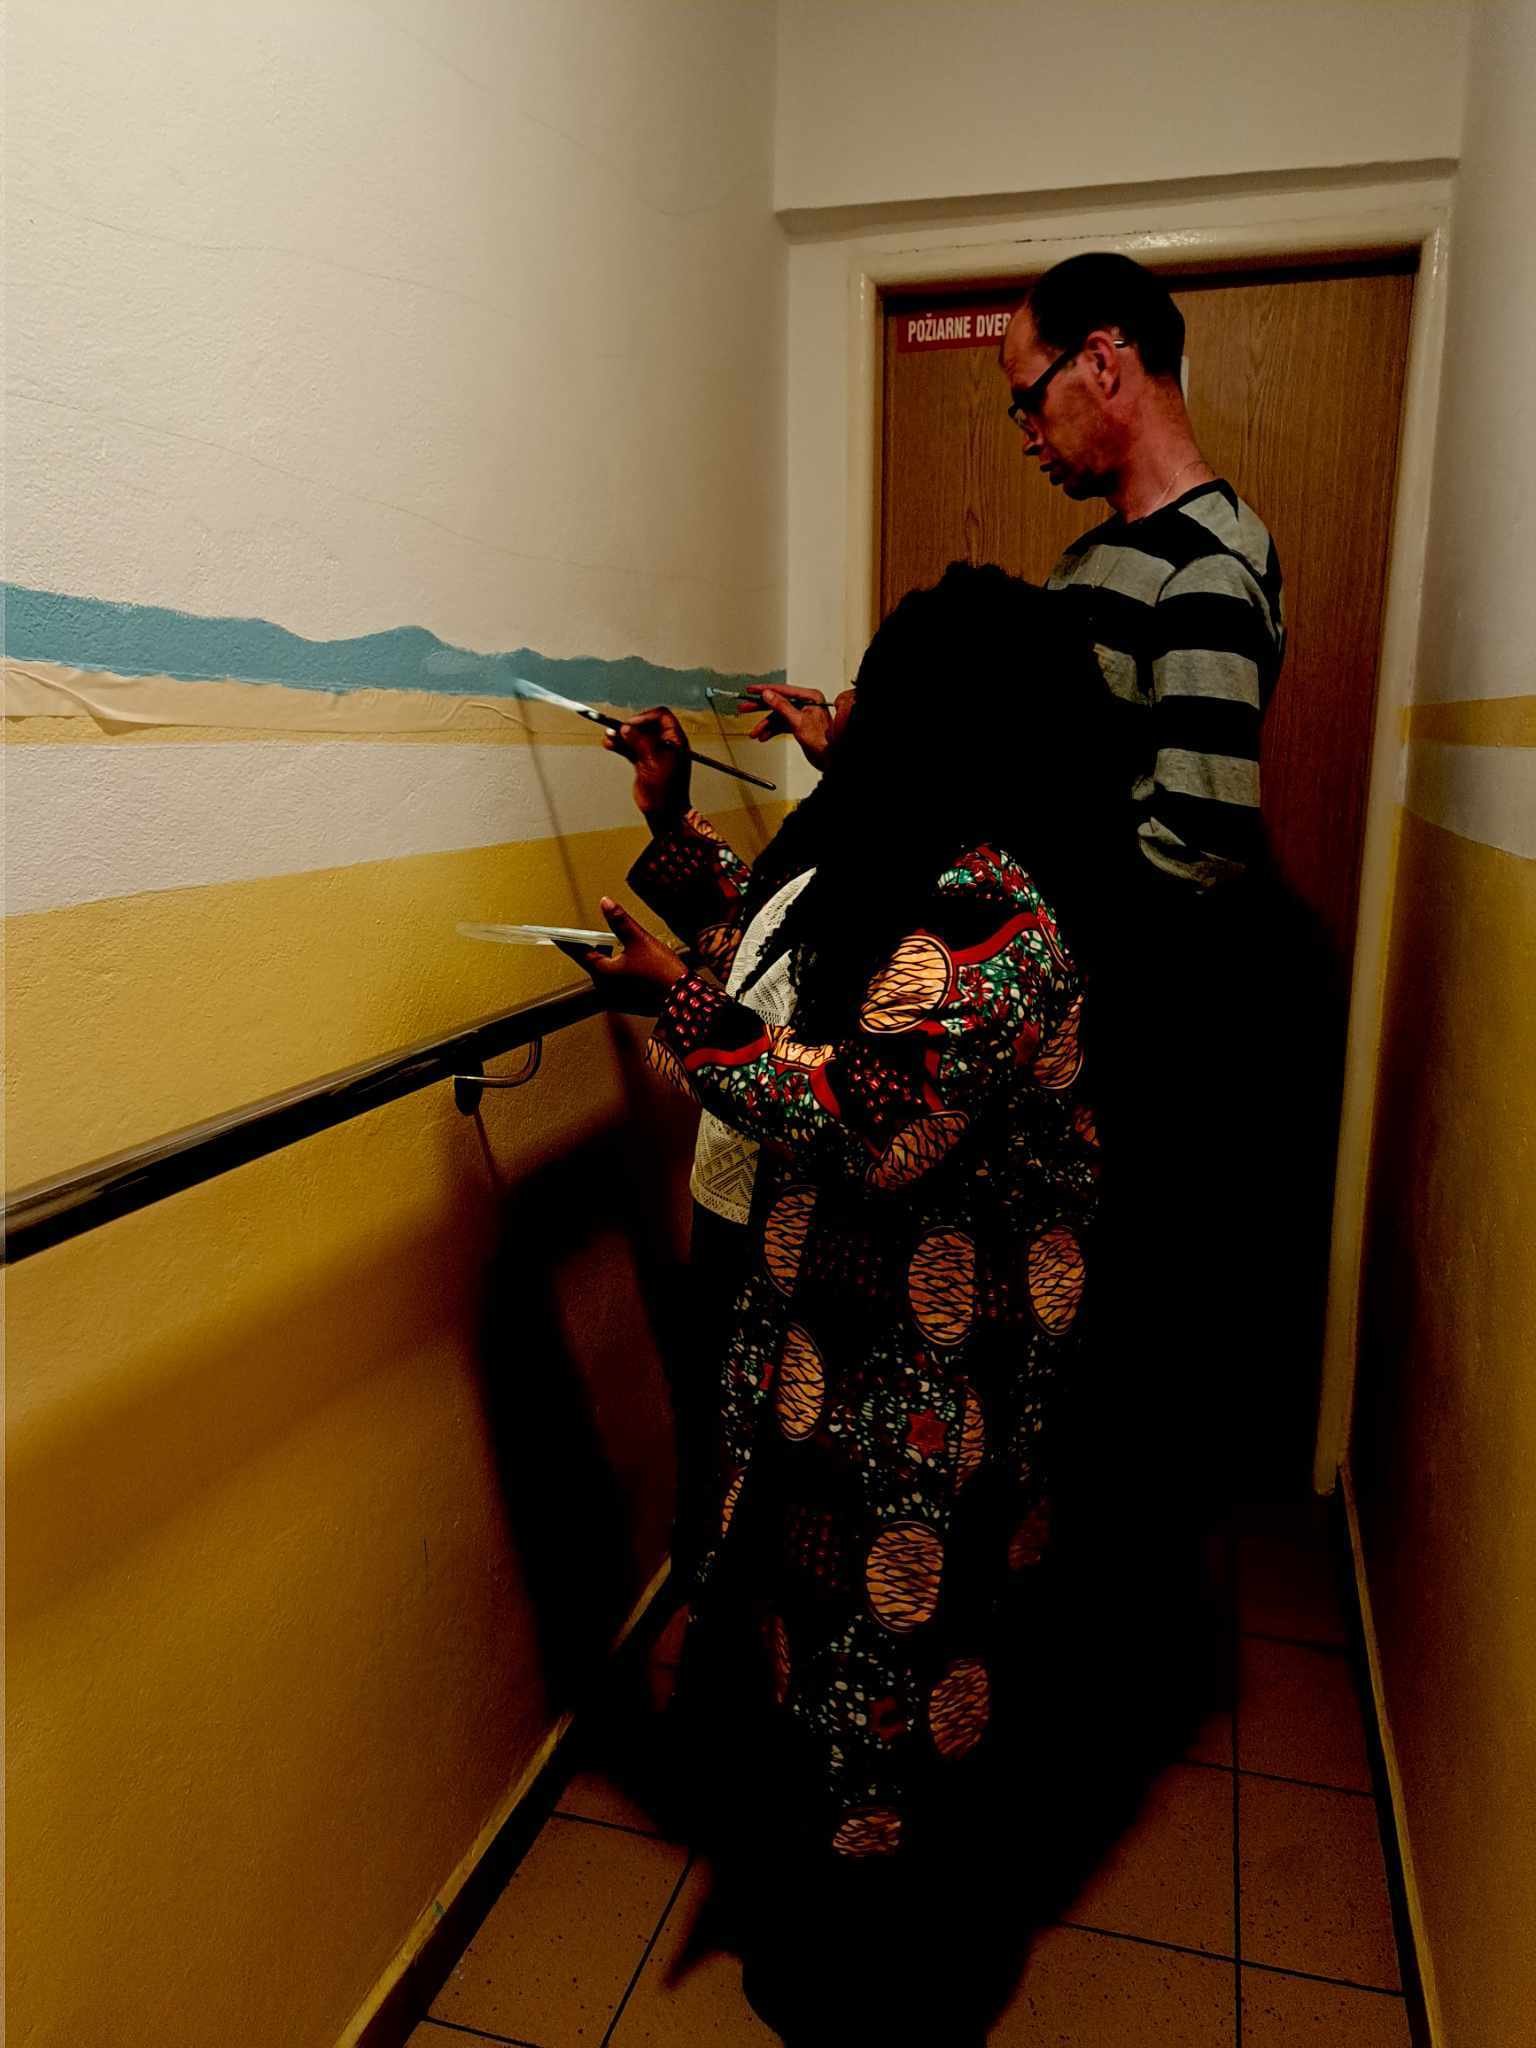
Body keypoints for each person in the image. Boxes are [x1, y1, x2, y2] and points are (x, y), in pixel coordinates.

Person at [573, 564, 1130, 2044]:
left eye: (882, 696)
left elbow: (868, 1113)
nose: (849, 714)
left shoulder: (1001, 924)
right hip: (832, 1350)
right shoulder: (902, 859)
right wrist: (674, 839)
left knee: (903, 1669)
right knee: (827, 1662)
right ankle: (839, 1923)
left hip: (929, 1383)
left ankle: (893, 1983)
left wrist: (681, 1013)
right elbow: (780, 941)